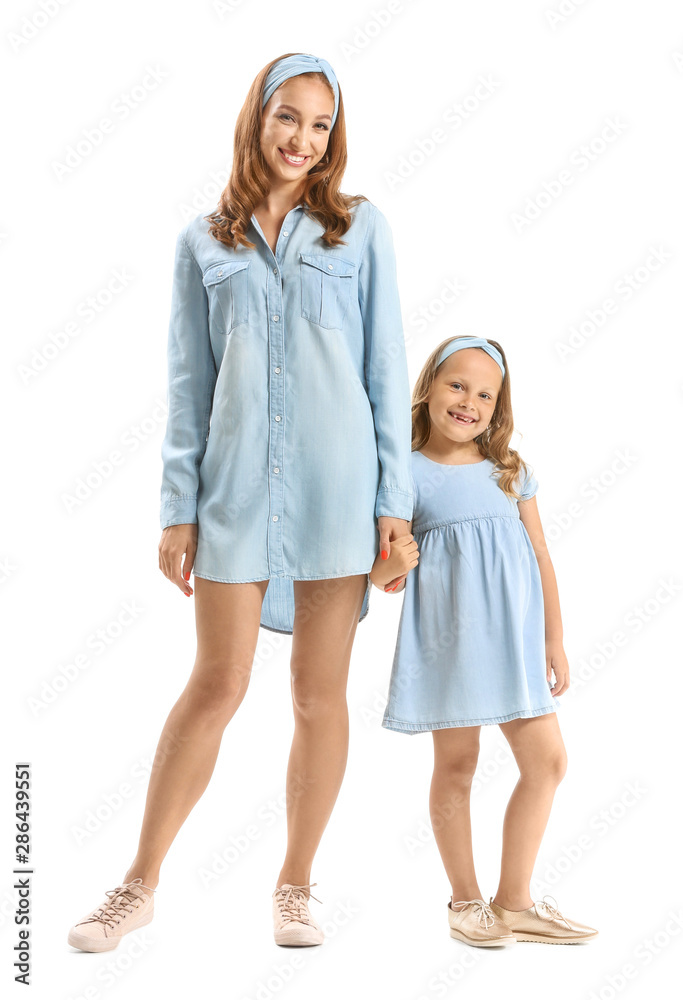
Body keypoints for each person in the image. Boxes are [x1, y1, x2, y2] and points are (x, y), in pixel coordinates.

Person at [67, 52, 413, 953]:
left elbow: (384, 368)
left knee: (316, 696)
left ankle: (295, 888)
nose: (304, 139)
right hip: (230, 497)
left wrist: (394, 504)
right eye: (288, 117)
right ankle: (137, 885)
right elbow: (189, 386)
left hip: (341, 496)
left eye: (321, 124)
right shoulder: (202, 241)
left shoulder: (359, 230)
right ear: (256, 120)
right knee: (216, 684)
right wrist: (176, 509)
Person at [369, 335, 598, 947]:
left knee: (547, 762)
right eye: (457, 385)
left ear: (499, 409)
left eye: (485, 394)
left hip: (517, 639)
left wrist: (554, 637)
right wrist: (391, 567)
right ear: (429, 389)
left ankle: (515, 901)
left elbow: (540, 555)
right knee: (458, 764)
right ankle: (466, 902)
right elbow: (379, 574)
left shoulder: (509, 471)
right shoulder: (403, 473)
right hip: (452, 642)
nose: (469, 401)